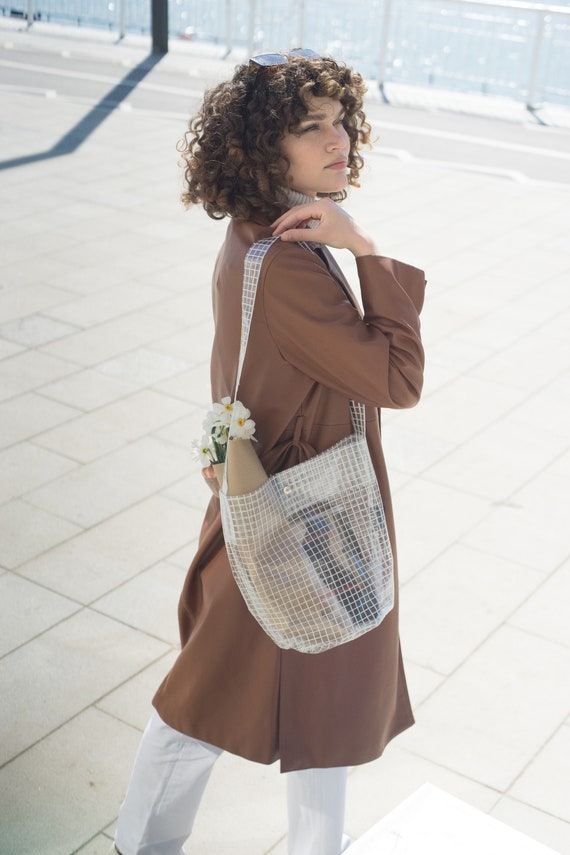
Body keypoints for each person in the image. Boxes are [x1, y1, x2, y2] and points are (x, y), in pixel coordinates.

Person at [113, 49, 425, 855]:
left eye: (341, 121)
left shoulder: (263, 234)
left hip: (292, 507)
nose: (340, 140)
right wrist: (366, 250)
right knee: (201, 705)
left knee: (308, 699)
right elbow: (397, 377)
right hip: (295, 514)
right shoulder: (289, 259)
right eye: (310, 127)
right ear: (263, 149)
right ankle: (140, 847)